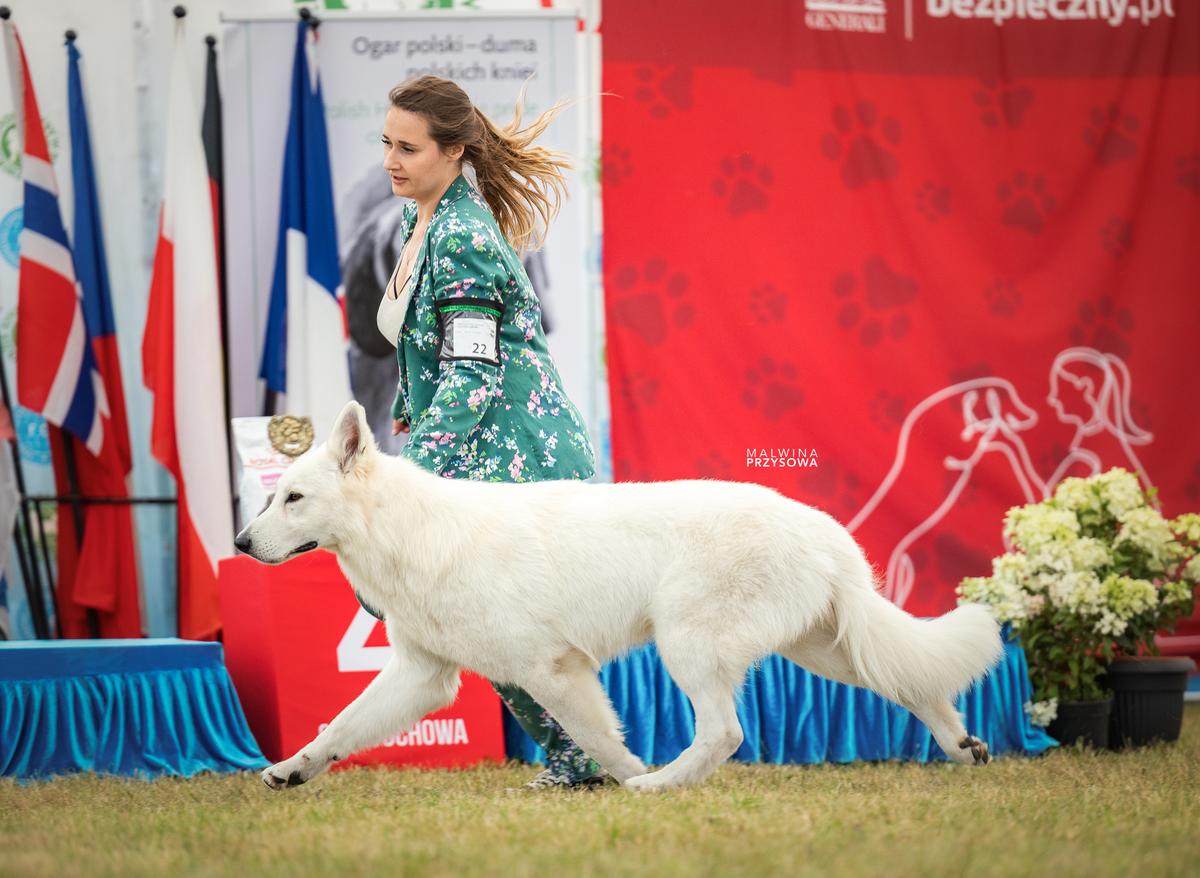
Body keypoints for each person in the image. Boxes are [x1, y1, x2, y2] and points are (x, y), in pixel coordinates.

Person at [373, 75, 607, 790]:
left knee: (491, 622)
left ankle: (581, 753)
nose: (391, 160)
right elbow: (439, 349)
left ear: (452, 151)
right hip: (477, 450)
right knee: (481, 621)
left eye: (408, 148)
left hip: (516, 458)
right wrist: (412, 409)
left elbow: (472, 374)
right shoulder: (420, 218)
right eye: (386, 143)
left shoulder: (462, 235)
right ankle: (578, 753)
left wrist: (410, 478)